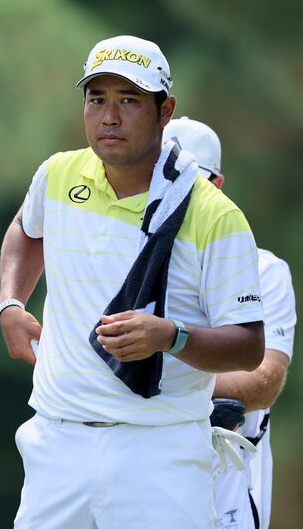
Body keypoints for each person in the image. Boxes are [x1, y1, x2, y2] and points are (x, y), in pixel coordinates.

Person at [0, 35, 265, 528]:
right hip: (58, 441)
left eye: (129, 101)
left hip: (160, 450)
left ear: (166, 111)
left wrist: (171, 337)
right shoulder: (58, 173)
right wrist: (11, 303)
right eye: (97, 99)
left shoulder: (215, 215)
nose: (109, 116)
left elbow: (248, 347)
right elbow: (24, 230)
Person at [165, 116, 295, 529]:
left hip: (227, 482)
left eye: (190, 184)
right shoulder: (123, 263)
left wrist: (149, 373)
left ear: (216, 186)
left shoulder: (263, 269)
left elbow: (263, 383)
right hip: (140, 469)